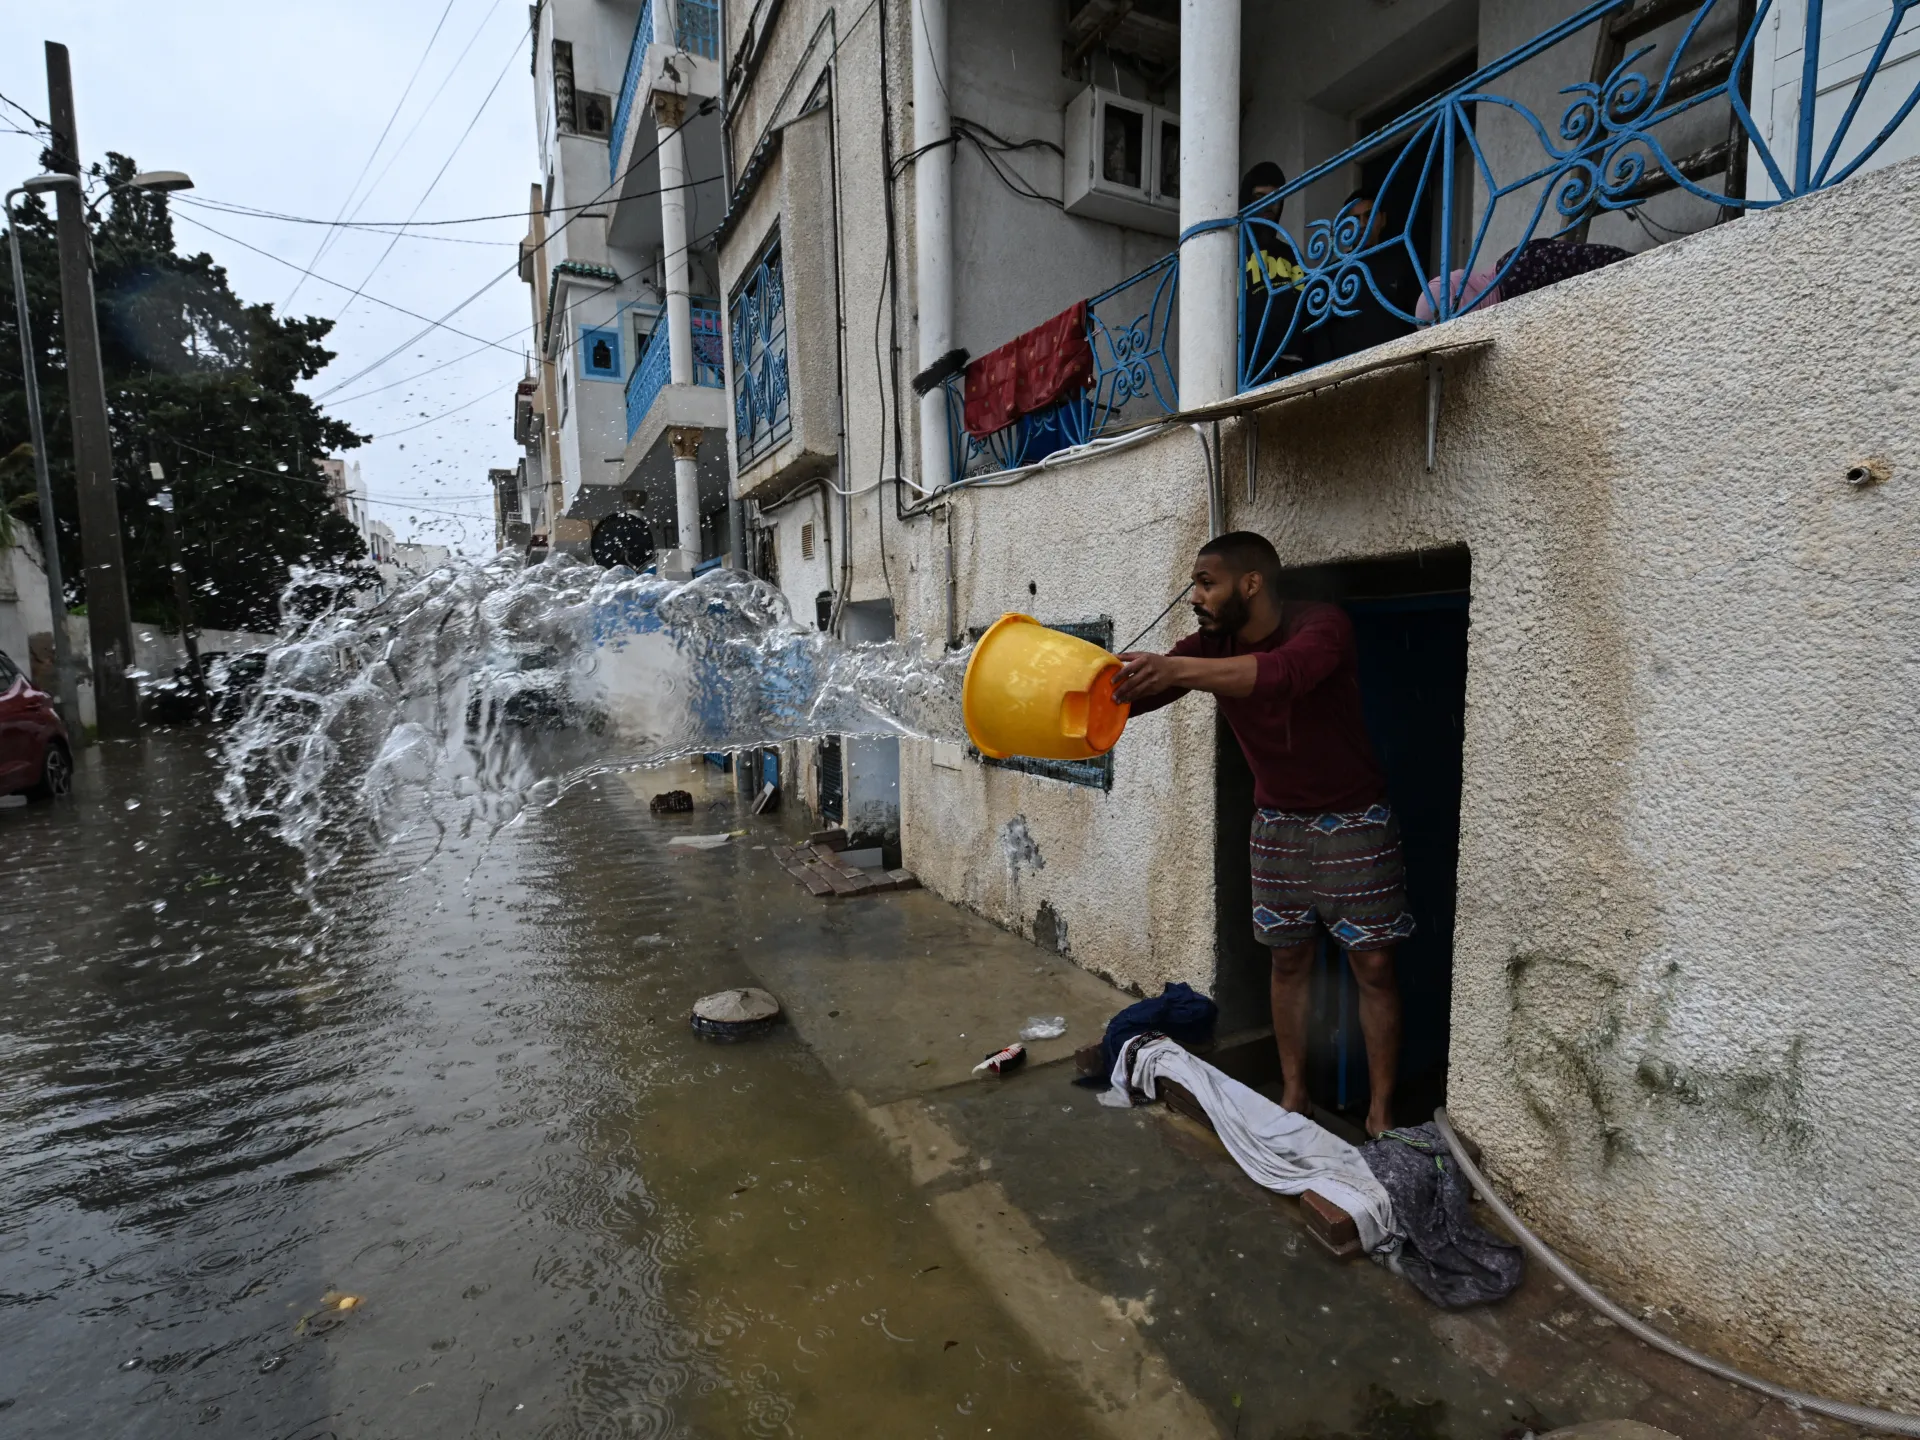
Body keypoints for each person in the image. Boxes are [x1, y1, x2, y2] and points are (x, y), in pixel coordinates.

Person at [1112, 532, 1413, 1137]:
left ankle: (1380, 1112)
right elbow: (1129, 694)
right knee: (1288, 961)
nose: (1194, 597)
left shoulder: (1321, 626)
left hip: (1356, 821)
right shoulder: (1207, 645)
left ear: (1250, 583)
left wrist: (1179, 668)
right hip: (1275, 824)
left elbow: (1281, 675)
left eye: (1206, 583)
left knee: (1375, 965)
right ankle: (1294, 1093)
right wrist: (1063, 697)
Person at [1239, 162, 1307, 385]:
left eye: (1275, 197)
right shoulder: (1232, 254)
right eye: (1260, 197)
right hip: (1250, 372)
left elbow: (1307, 305)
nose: (1269, 205)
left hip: (1294, 368)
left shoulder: (1290, 252)